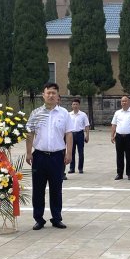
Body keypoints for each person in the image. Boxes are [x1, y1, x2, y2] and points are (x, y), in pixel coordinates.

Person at [26, 83, 73, 230]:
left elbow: (69, 134)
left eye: (54, 93)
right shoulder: (36, 113)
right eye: (48, 93)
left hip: (57, 157)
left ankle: (56, 218)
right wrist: (28, 152)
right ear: (43, 95)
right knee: (38, 189)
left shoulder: (64, 113)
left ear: (58, 96)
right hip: (39, 156)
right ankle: (38, 219)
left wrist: (69, 153)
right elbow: (29, 133)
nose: (51, 95)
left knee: (56, 189)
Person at [111, 95, 130, 180]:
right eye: (122, 101)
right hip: (119, 136)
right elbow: (114, 124)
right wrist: (112, 135)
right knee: (119, 155)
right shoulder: (117, 113)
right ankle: (119, 174)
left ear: (129, 102)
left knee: (129, 155)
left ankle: (129, 173)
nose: (124, 102)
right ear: (121, 103)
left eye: (126, 101)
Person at [68, 98, 90, 174]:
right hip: (71, 134)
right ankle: (72, 168)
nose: (75, 106)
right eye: (73, 104)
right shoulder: (69, 115)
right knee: (71, 152)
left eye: (76, 104)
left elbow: (87, 125)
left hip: (80, 134)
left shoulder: (83, 115)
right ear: (71, 105)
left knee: (80, 152)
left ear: (79, 105)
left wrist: (87, 135)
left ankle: (80, 168)